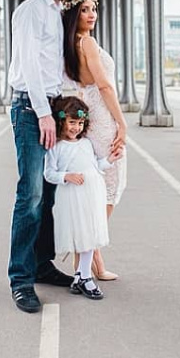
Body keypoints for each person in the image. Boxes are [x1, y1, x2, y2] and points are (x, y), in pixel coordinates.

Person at [7, 0, 82, 314]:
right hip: (30, 109)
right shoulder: (30, 12)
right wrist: (43, 115)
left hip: (49, 107)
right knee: (32, 195)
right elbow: (32, 69)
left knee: (50, 195)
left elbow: (56, 70)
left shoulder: (56, 15)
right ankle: (20, 280)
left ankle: (40, 265)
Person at [62, 0, 127, 280]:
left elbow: (80, 87)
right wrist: (122, 123)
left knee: (96, 189)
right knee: (110, 188)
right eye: (85, 10)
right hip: (102, 119)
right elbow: (104, 85)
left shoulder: (71, 46)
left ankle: (92, 262)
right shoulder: (87, 42)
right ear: (75, 14)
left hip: (91, 116)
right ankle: (88, 257)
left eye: (93, 9)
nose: (92, 15)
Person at [44, 96, 122, 300]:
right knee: (81, 235)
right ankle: (83, 277)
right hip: (71, 195)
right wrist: (66, 176)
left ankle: (83, 276)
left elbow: (94, 166)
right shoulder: (55, 147)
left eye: (80, 123)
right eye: (72, 122)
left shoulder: (86, 143)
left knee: (90, 233)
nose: (76, 128)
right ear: (62, 121)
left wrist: (109, 160)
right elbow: (49, 173)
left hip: (91, 193)